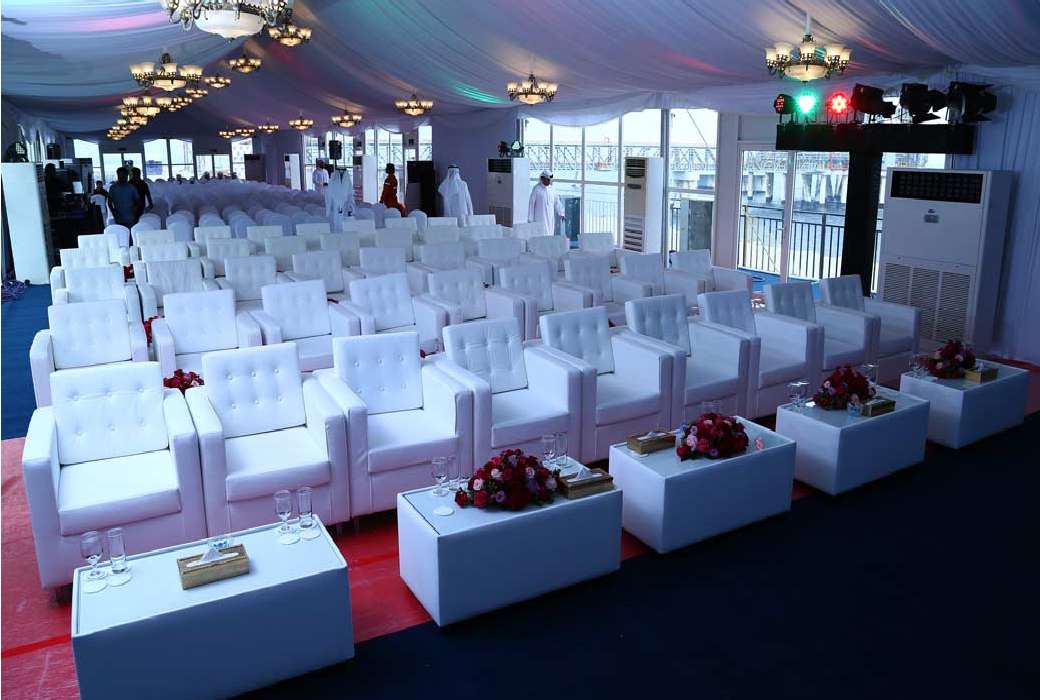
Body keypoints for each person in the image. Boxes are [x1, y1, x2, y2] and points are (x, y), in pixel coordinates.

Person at [528, 170, 565, 237]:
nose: (549, 182)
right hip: (540, 218)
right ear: (542, 178)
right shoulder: (536, 188)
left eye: (550, 180)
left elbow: (557, 202)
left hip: (550, 217)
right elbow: (531, 204)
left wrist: (561, 213)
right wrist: (530, 219)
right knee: (541, 235)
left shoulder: (552, 189)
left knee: (550, 233)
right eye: (547, 180)